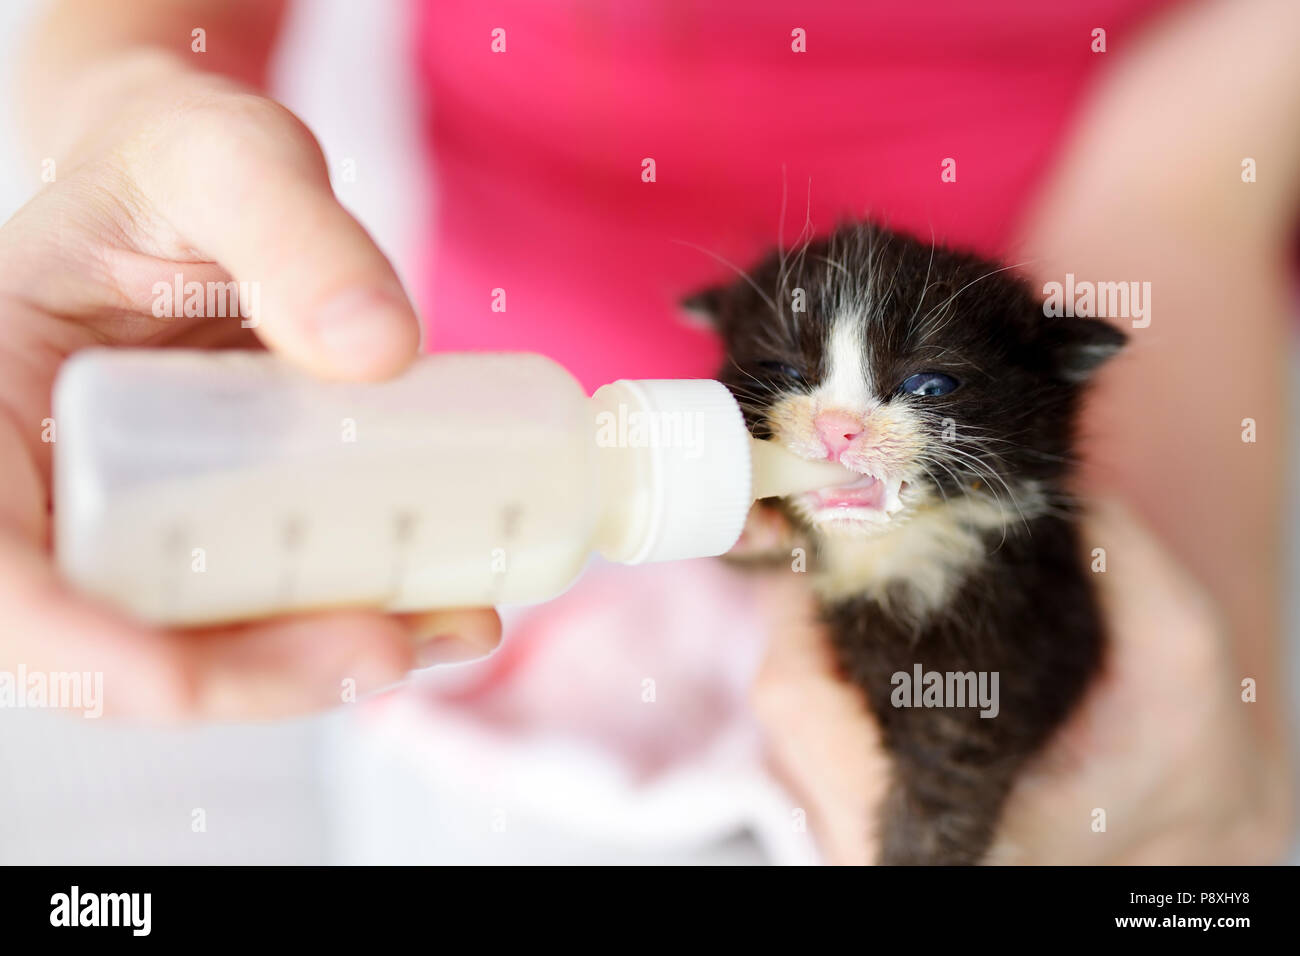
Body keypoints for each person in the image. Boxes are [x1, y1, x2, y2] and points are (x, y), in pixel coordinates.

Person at [0, 0, 1291, 862]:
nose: (834, 439)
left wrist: (1201, 736)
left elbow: (1192, 172)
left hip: (1144, 376)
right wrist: (125, 118)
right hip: (456, 532)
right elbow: (145, 22)